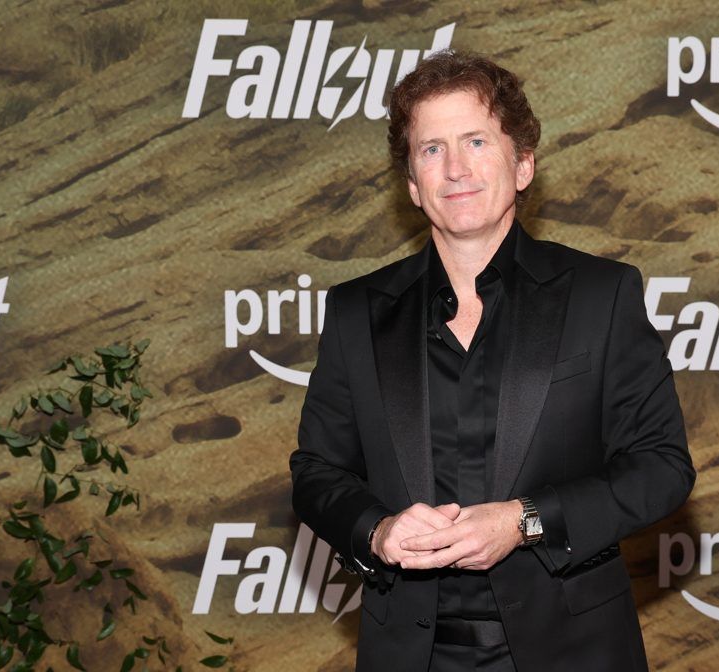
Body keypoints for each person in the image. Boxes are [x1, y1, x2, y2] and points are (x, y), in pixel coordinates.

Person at [290, 49, 695, 672]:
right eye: (432, 149)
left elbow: (661, 467)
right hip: (411, 655)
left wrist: (525, 520)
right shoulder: (355, 313)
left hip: (573, 653)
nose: (455, 168)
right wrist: (377, 531)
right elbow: (317, 471)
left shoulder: (601, 295)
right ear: (412, 184)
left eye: (476, 141)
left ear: (523, 164)